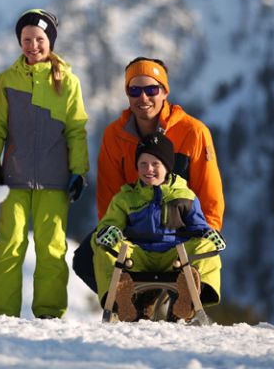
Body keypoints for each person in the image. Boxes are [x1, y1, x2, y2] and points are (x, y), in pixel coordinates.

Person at [73, 56, 225, 293]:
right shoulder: (115, 135)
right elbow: (109, 196)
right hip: (134, 227)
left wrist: (206, 233)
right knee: (85, 260)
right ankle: (133, 303)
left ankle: (181, 303)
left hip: (180, 229)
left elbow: (209, 192)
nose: (143, 98)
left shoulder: (193, 132)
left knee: (199, 262)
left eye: (151, 89)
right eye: (134, 90)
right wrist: (113, 230)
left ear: (164, 92)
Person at [0, 9, 89, 319]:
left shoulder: (67, 82)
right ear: (19, 41)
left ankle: (49, 314)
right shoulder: (6, 82)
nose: (33, 45)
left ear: (50, 41)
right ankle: (1, 314)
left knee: (52, 249)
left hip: (54, 181)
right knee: (9, 246)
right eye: (27, 39)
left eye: (39, 39)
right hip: (14, 179)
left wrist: (79, 171)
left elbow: (76, 129)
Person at [93, 132, 223, 321]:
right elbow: (110, 222)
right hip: (138, 255)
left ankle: (191, 296)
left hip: (175, 256)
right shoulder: (125, 198)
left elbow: (198, 226)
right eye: (143, 164)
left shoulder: (184, 195)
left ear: (167, 167)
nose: (149, 169)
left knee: (207, 246)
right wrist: (109, 231)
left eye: (156, 164)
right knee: (102, 245)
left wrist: (208, 234)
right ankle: (120, 300)